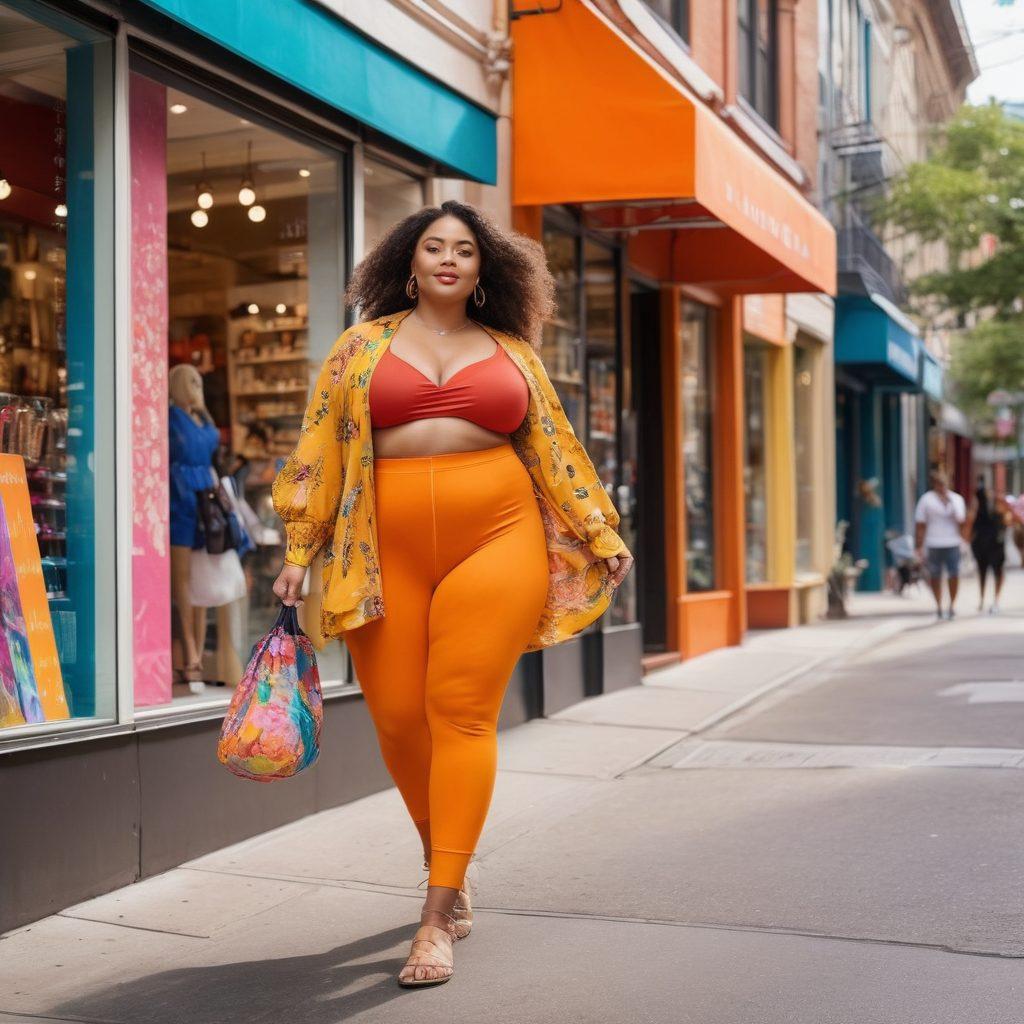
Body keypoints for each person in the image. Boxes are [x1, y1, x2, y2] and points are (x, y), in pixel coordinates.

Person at [269, 200, 633, 988]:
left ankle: (435, 913)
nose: (447, 259)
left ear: (482, 271)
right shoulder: (359, 348)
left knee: (460, 712)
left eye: (464, 250)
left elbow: (555, 447)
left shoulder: (511, 352)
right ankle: (452, 860)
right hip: (380, 546)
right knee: (399, 719)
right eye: (433, 246)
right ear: (409, 262)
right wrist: (299, 547)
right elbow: (318, 447)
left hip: (499, 537)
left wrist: (600, 532)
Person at [914, 469, 966, 620]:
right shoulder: (926, 500)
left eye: (944, 483)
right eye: (939, 483)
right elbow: (920, 524)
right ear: (934, 484)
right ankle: (938, 605)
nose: (942, 486)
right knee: (935, 575)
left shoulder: (956, 499)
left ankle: (952, 606)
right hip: (933, 543)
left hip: (953, 542)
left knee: (954, 574)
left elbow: (961, 521)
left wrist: (950, 503)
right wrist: (919, 546)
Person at [967, 480, 1011, 613]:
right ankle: (982, 600)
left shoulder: (999, 506)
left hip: (995, 545)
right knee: (982, 572)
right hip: (982, 545)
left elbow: (1007, 520)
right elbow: (970, 525)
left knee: (997, 572)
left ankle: (995, 600)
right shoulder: (977, 508)